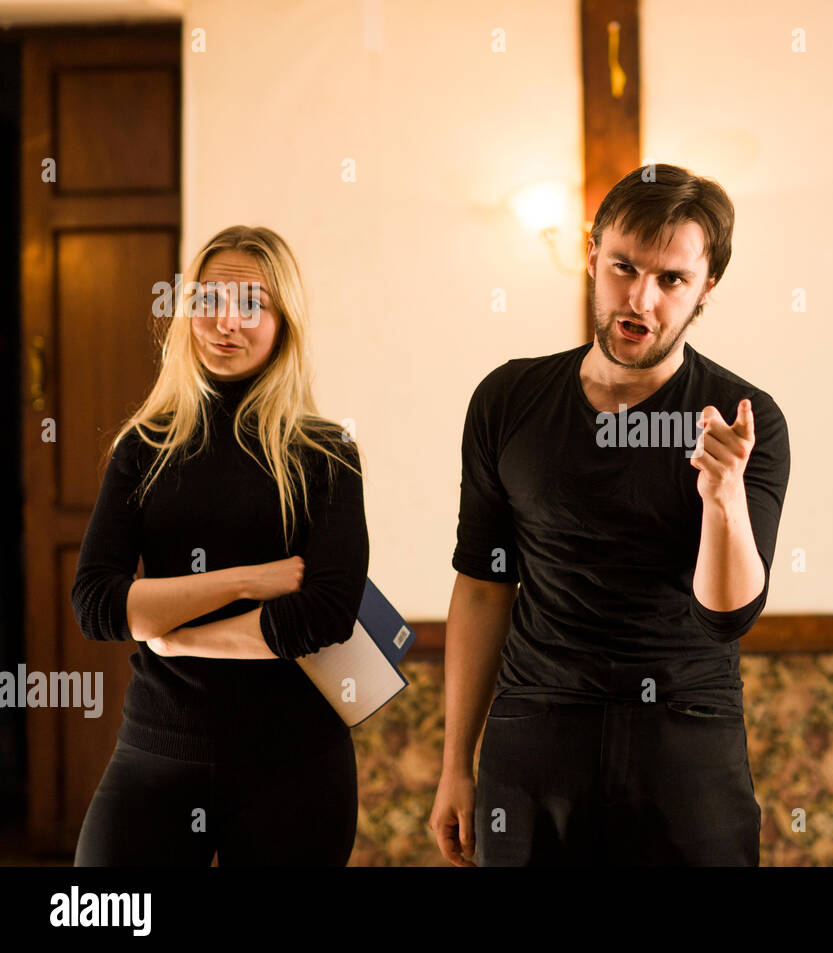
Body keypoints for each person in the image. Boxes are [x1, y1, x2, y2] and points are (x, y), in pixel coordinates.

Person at [429, 163, 791, 866]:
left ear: (706, 288)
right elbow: (480, 585)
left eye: (671, 280)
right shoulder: (508, 398)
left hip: (685, 737)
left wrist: (723, 496)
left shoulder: (746, 419)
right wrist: (454, 765)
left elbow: (728, 617)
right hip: (535, 729)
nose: (640, 298)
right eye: (624, 266)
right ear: (592, 253)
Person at [70, 225, 368, 865]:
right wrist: (248, 581)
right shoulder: (144, 447)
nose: (225, 323)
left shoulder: (325, 454)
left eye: (251, 304)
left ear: (284, 321)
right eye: (207, 300)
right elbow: (97, 605)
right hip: (157, 747)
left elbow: (324, 614)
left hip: (295, 765)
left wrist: (177, 635)